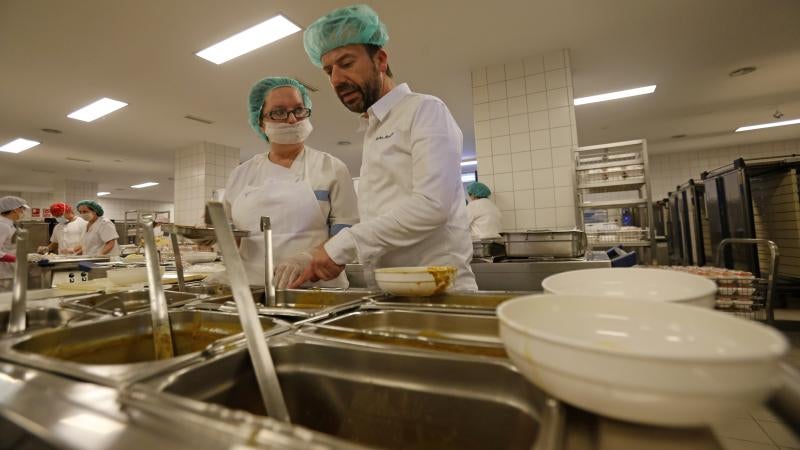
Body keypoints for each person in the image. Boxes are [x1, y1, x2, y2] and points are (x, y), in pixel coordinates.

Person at [293, 4, 477, 290]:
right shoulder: (372, 129)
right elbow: (384, 218)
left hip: (438, 292)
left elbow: (432, 206)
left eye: (346, 63)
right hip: (392, 293)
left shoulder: (425, 110)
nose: (336, 80)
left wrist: (341, 246)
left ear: (380, 59)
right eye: (328, 71)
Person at [224, 76, 359, 288]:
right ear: (260, 121)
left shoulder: (331, 168)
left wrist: (309, 258)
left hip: (318, 293)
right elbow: (232, 238)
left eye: (299, 110)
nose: (292, 119)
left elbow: (348, 235)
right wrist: (213, 234)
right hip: (253, 291)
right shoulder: (241, 175)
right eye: (279, 112)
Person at [0, 196, 29, 290]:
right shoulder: (3, 226)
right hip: (4, 274)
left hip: (10, 272)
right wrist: (17, 259)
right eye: (23, 209)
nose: (23, 213)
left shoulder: (9, 224)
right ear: (15, 210)